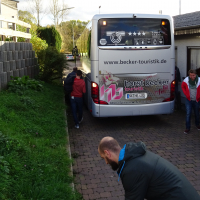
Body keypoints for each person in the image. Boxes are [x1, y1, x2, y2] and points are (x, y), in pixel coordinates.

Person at [98, 137, 200, 200]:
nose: (106, 162)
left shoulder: (131, 169)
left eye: (104, 158)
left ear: (107, 153)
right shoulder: (133, 155)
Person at [181, 69, 200, 134]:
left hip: (197, 100)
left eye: (194, 75)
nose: (192, 77)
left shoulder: (199, 80)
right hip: (189, 100)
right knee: (188, 114)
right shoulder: (186, 80)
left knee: (197, 113)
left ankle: (197, 124)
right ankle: (187, 128)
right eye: (191, 75)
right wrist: (185, 93)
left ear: (196, 75)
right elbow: (182, 86)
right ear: (189, 75)